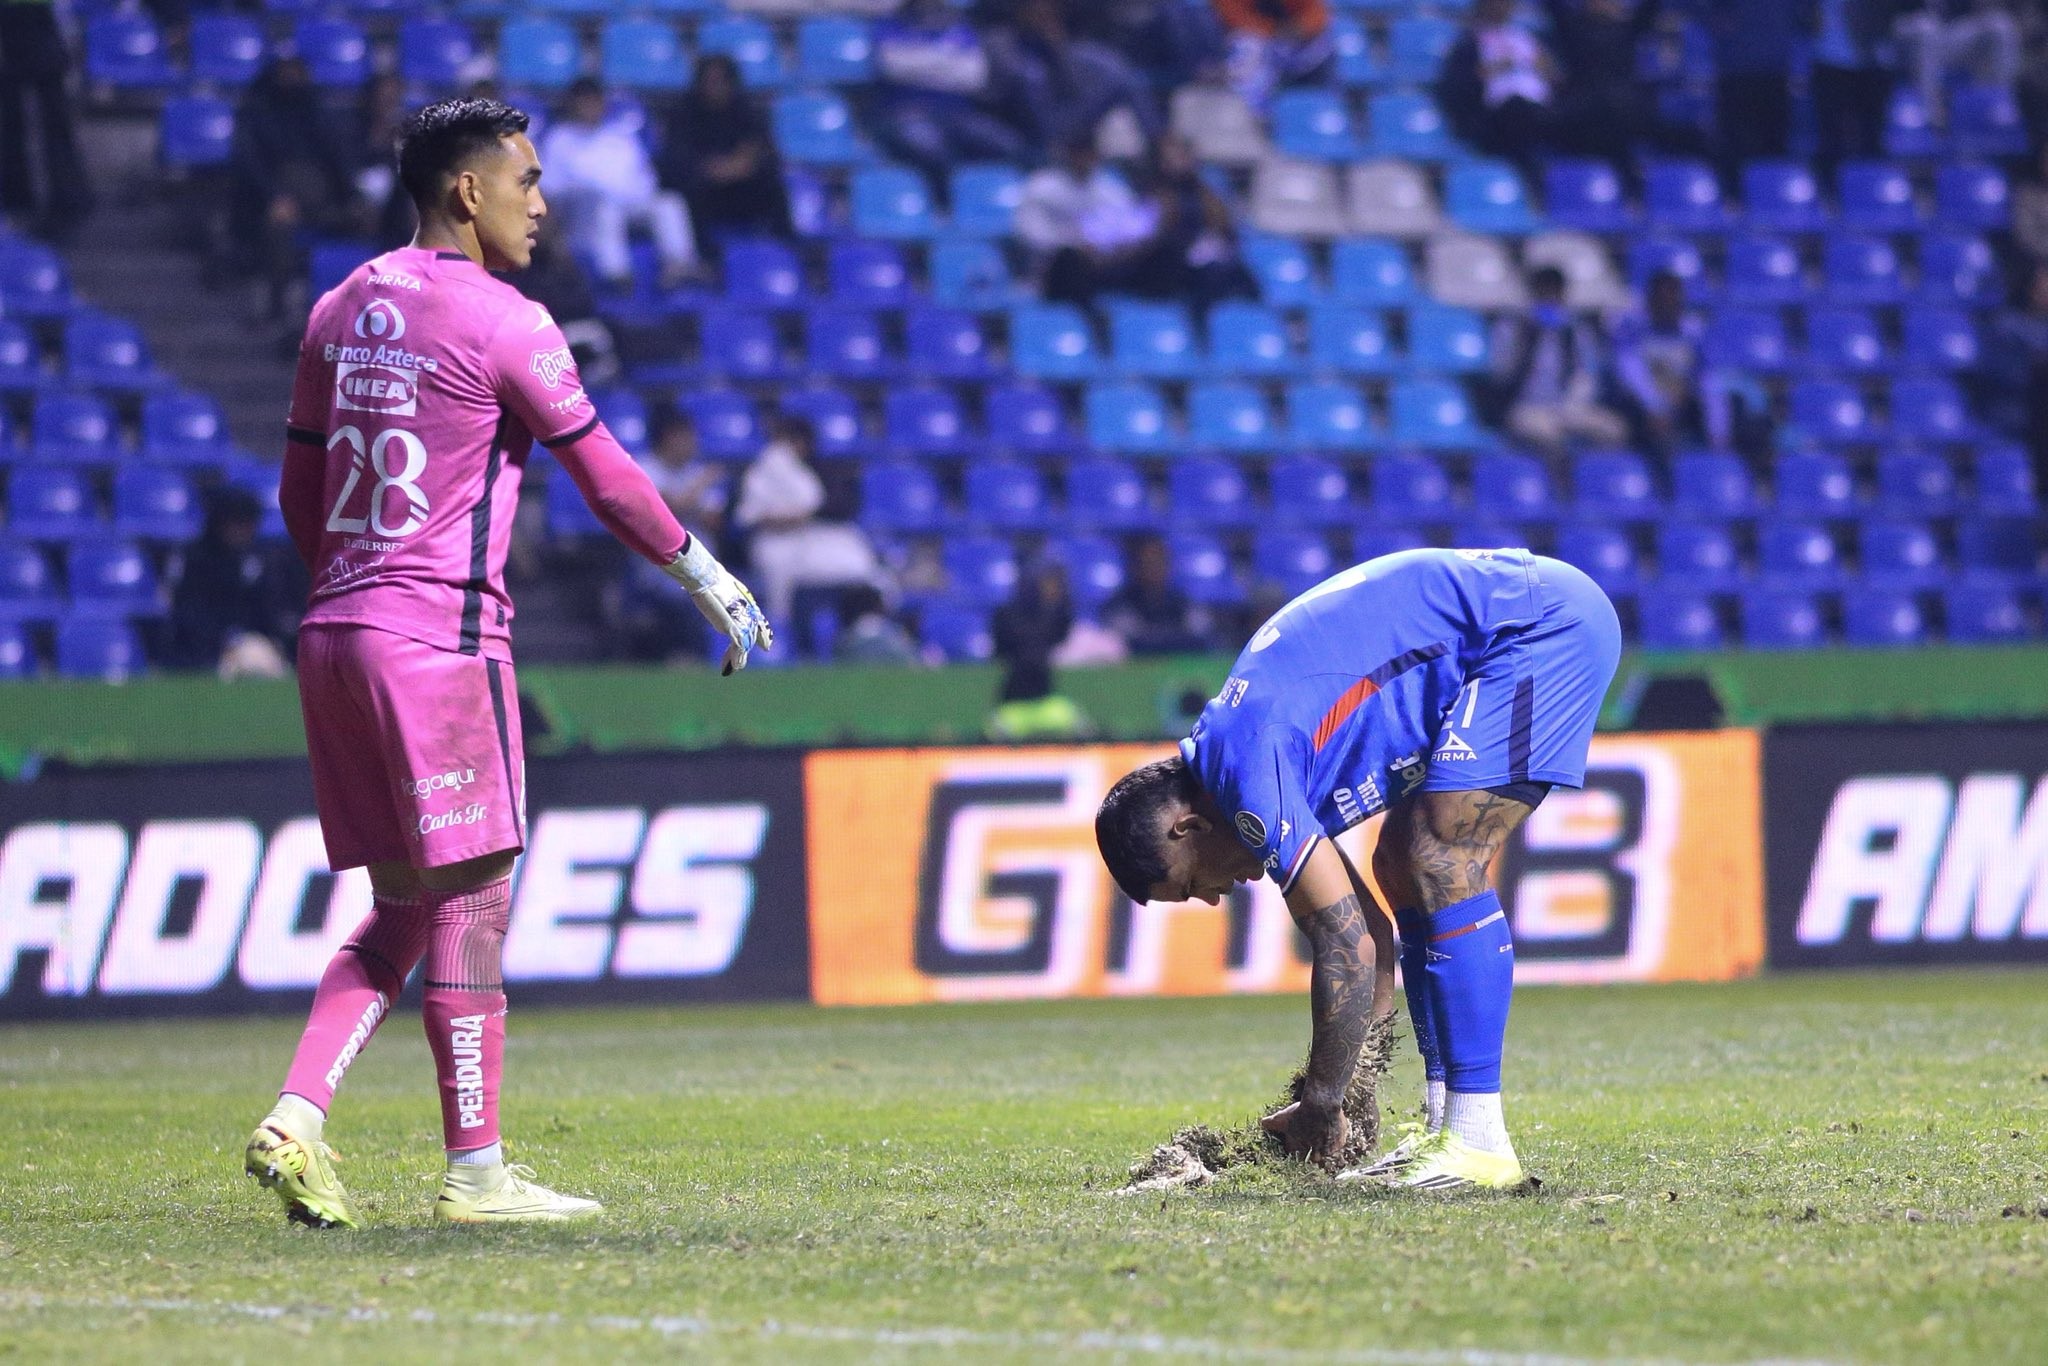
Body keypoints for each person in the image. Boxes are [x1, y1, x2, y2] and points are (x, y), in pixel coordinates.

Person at [246, 97, 772, 1229]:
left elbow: (299, 494)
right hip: (439, 637)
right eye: (525, 181)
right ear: (465, 192)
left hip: (335, 631)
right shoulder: (507, 321)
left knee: (398, 906)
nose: (542, 201)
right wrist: (706, 576)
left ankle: (295, 1115)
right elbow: (610, 477)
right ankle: (476, 1172)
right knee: (474, 900)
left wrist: (355, 587)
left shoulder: (339, 307)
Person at [1093, 547, 1622, 1189]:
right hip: (1508, 631)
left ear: (1187, 827)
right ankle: (1444, 1134)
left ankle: (1478, 1143)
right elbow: (1371, 936)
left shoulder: (1251, 772)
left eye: (1188, 885)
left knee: (1438, 858)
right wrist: (1353, 1089)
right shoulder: (1245, 764)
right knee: (1399, 866)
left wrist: (1321, 1102)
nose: (1211, 898)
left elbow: (1343, 944)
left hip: (1537, 626)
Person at [228, 57, 358, 323]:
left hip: (324, 198)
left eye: (297, 71)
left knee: (367, 217)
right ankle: (279, 300)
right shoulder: (258, 113)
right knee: (278, 227)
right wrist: (274, 196)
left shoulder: (317, 111)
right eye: (286, 71)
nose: (292, 78)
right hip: (274, 198)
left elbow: (337, 158)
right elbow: (251, 162)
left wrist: (352, 195)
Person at [539, 78, 699, 291]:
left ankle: (679, 266)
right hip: (585, 211)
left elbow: (645, 178)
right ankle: (617, 275)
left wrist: (637, 196)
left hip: (630, 204)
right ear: (573, 104)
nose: (590, 107)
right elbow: (551, 188)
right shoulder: (559, 139)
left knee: (669, 203)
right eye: (584, 102)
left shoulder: (620, 136)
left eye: (594, 101)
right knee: (606, 209)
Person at [733, 417, 884, 628]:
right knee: (780, 573)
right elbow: (745, 517)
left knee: (856, 561)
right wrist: (777, 520)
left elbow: (824, 505)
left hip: (809, 537)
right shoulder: (761, 470)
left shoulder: (813, 471)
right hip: (773, 542)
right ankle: (780, 630)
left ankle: (867, 625)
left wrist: (804, 517)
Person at [870, 0, 1031, 189]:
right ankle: (945, 207)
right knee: (934, 151)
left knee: (1012, 147)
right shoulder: (890, 24)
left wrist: (918, 62)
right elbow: (893, 67)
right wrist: (947, 61)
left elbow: (974, 77)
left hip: (959, 114)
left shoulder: (958, 26)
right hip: (907, 112)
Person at [987, 0, 1165, 157]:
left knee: (1120, 74)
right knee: (1034, 77)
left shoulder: (1064, 25)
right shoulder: (1002, 39)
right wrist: (1048, 46)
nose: (1044, 8)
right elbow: (1014, 86)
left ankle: (1158, 141)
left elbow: (1073, 86)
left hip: (1072, 106)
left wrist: (1057, 48)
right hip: (1034, 123)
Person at [657, 55, 792, 260]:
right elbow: (675, 159)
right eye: (709, 81)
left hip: (741, 190)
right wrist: (712, 169)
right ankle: (704, 260)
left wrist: (738, 167)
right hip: (704, 193)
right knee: (683, 192)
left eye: (721, 81)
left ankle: (787, 253)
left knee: (773, 185)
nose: (715, 87)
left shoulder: (748, 112)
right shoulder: (683, 114)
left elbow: (763, 153)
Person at [1488, 265, 1629, 459]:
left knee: (1613, 429)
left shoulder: (1575, 331)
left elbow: (1588, 374)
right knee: (1550, 436)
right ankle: (1559, 486)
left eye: (1555, 293)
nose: (1550, 299)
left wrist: (1573, 405)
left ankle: (1596, 480)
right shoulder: (1512, 328)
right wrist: (1526, 341)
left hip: (1568, 407)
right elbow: (1500, 375)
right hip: (1526, 407)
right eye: (1544, 292)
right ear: (1534, 293)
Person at [165, 488, 305, 675]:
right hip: (205, 651)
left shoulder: (263, 558)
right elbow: (188, 614)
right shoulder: (195, 560)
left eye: (249, 523)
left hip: (257, 643)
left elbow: (273, 612)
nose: (243, 531)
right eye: (237, 523)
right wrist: (225, 640)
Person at [1437, 0, 1568, 175]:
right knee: (1518, 110)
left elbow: (1557, 78)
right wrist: (1490, 70)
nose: (1502, 7)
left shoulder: (1527, 39)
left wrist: (1545, 67)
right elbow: (1457, 85)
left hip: (1539, 110)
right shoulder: (1469, 43)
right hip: (1495, 116)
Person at [0, 0, 93, 241]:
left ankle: (64, 198)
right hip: (19, 28)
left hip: (36, 25)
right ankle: (22, 200)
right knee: (16, 127)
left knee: (52, 127)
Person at [1609, 269, 1722, 456]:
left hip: (1683, 406)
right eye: (1662, 300)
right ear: (1650, 302)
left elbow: (1709, 382)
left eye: (1673, 299)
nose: (1668, 305)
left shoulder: (1694, 333)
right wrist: (1655, 407)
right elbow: (1631, 375)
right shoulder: (1631, 330)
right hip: (1642, 409)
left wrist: (1718, 432)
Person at [988, 561, 1091, 740]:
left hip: (1047, 703)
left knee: (1080, 726)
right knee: (998, 730)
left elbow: (1062, 631)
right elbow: (1002, 649)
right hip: (1014, 707)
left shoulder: (1055, 617)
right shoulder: (1006, 617)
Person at [1807, 0, 1905, 168]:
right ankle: (1831, 185)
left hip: (1874, 63)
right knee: (1831, 136)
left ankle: (1870, 186)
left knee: (1872, 136)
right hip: (1831, 60)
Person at [1895, 0, 2020, 128]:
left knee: (2001, 25)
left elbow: (1982, 9)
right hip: (1914, 26)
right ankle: (1930, 108)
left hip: (1953, 32)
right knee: (1926, 29)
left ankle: (2002, 99)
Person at [1100, 535, 1216, 655]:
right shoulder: (1120, 603)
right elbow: (1129, 642)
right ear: (1135, 566)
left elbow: (1200, 633)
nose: (1154, 568)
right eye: (1148, 562)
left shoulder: (1180, 601)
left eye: (1159, 561)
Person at [1213, 0, 1333, 112]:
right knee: (1247, 44)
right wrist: (1273, 30)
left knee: (1322, 47)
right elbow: (1234, 16)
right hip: (1251, 43)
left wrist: (1301, 28)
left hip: (1294, 43)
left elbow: (1317, 14)